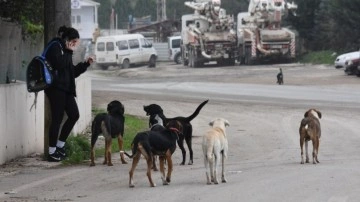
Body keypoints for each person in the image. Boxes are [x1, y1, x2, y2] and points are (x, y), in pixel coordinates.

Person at [45, 26, 94, 162]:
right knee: (57, 119)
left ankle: (60, 145)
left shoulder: (65, 50)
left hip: (66, 89)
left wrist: (85, 64)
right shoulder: (56, 46)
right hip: (55, 88)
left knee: (74, 115)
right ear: (67, 40)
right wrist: (68, 51)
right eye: (74, 42)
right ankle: (51, 151)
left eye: (76, 43)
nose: (75, 45)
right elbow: (58, 65)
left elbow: (71, 71)